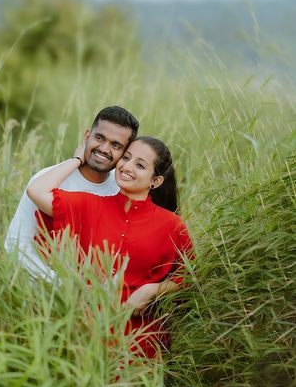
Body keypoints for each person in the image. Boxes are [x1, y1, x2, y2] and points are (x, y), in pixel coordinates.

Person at [26, 136, 193, 359]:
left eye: (140, 165)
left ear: (156, 181)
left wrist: (152, 290)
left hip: (141, 347)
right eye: (126, 157)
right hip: (84, 338)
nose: (127, 167)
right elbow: (36, 191)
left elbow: (190, 278)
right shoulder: (89, 206)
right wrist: (78, 158)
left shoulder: (171, 225)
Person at [5, 106, 140, 281]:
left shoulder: (121, 188)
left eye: (116, 145)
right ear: (87, 136)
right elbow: (16, 244)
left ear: (125, 153)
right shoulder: (46, 181)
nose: (104, 149)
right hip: (41, 290)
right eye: (99, 138)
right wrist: (59, 286)